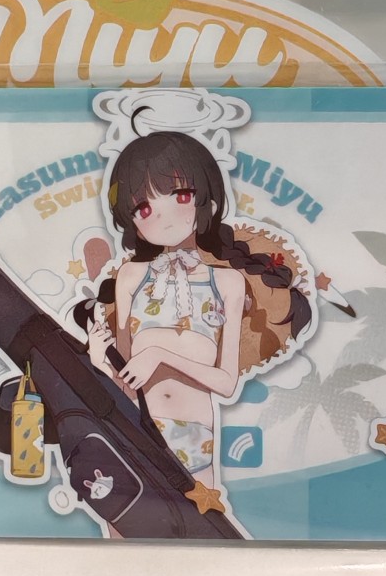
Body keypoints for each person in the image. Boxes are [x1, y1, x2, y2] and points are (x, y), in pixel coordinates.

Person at [75, 127, 312, 493]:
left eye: (180, 195)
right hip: (134, 430)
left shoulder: (228, 282)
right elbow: (125, 383)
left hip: (195, 436)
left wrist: (159, 355)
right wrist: (98, 361)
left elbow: (226, 383)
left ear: (207, 202)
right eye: (144, 208)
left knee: (198, 527)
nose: (164, 217)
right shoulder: (131, 277)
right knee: (128, 525)